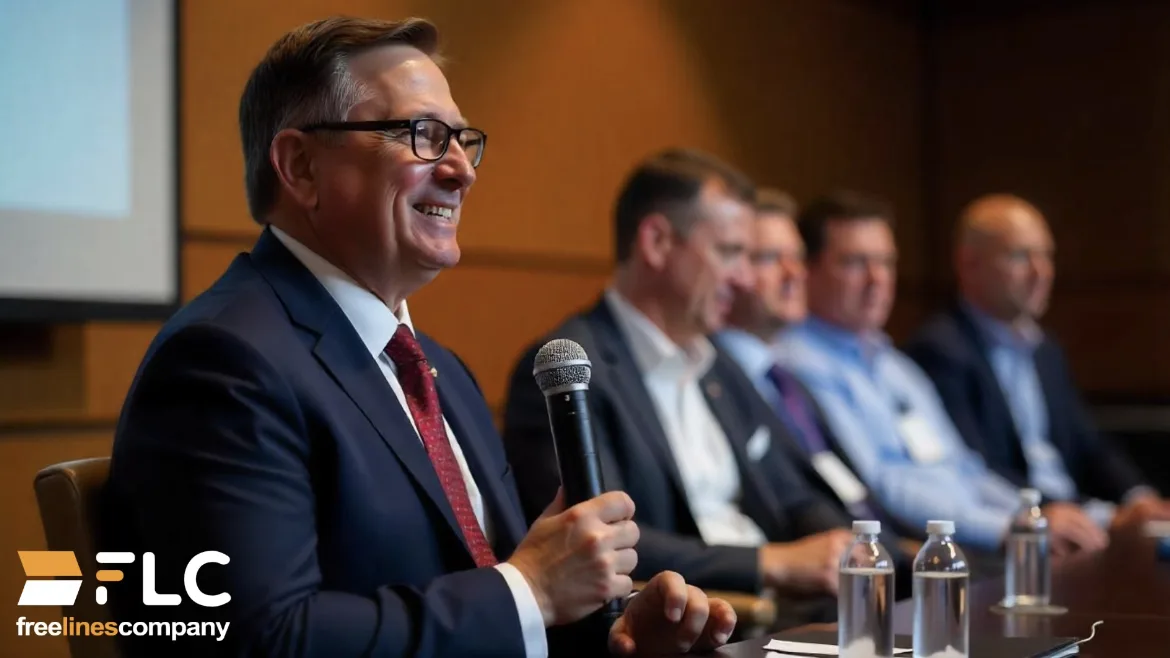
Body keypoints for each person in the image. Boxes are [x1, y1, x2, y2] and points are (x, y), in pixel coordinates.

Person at [103, 17, 736, 658]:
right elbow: (261, 640)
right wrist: (530, 591)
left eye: (461, 139)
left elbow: (500, 598)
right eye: (424, 136)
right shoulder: (224, 362)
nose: (462, 171)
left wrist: (610, 635)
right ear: (301, 166)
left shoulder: (441, 371)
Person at [501, 150, 855, 617]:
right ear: (658, 242)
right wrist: (770, 564)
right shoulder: (570, 371)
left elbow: (792, 491)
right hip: (695, 623)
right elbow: (597, 542)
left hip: (793, 610)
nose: (744, 278)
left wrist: (847, 547)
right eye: (729, 253)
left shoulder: (719, 363)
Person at [776, 191, 1108, 560]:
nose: (877, 279)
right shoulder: (798, 365)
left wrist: (1031, 517)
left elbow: (963, 467)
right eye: (854, 263)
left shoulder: (895, 365)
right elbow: (883, 485)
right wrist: (1005, 529)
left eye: (886, 262)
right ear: (809, 270)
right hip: (929, 552)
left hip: (978, 538)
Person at [904, 193, 1170, 531]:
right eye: (1020, 256)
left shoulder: (1046, 348)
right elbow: (974, 472)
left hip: (1079, 516)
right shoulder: (940, 350)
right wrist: (1099, 515)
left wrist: (1138, 498)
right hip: (1026, 526)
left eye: (1046, 255)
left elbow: (1090, 445)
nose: (1040, 272)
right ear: (969, 264)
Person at [715, 189, 917, 551]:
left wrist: (897, 550)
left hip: (864, 552)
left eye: (796, 257)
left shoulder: (783, 379)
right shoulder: (715, 377)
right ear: (730, 271)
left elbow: (843, 485)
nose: (795, 273)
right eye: (770, 258)